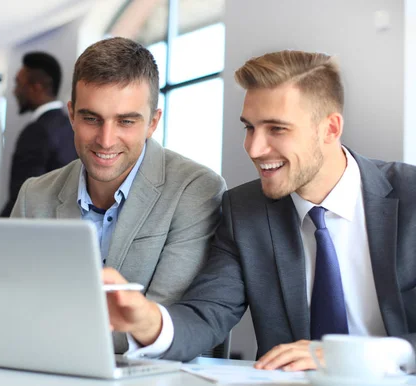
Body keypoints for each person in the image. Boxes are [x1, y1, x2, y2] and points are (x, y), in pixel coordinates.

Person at [103, 49, 416, 370]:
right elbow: (207, 313)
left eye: (276, 129)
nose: (253, 148)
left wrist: (359, 356)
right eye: (249, 128)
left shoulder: (411, 195)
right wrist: (147, 320)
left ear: (331, 129)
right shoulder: (244, 211)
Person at [11, 37, 226, 353]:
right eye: (91, 118)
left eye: (126, 121)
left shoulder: (195, 190)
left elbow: (159, 321)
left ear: (152, 122)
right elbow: (11, 306)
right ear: (71, 115)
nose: (106, 140)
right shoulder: (35, 195)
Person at [0, 52, 77, 217]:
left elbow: (21, 199)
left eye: (18, 84)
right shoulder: (70, 127)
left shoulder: (36, 132)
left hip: (34, 232)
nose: (14, 91)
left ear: (37, 87)